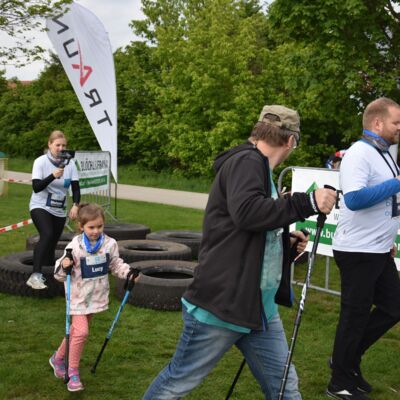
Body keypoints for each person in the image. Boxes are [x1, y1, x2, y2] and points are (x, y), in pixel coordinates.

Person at [142, 105, 337, 400]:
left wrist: (283, 242)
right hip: (223, 305)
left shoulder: (257, 166)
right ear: (291, 141)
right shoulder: (248, 161)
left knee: (285, 387)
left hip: (258, 307)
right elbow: (247, 213)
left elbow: (244, 226)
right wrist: (307, 202)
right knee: (176, 384)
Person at [327, 97, 400, 400]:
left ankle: (346, 359)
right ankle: (339, 382)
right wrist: (398, 183)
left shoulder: (384, 153)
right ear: (377, 123)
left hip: (378, 249)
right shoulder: (359, 153)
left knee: (394, 307)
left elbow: (388, 200)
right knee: (354, 315)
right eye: (396, 122)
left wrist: (388, 238)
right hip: (358, 251)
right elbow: (355, 199)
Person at [49, 203, 136, 392]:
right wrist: (64, 265)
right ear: (81, 226)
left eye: (99, 226)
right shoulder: (75, 246)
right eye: (91, 227)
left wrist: (128, 273)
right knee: (81, 333)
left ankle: (57, 358)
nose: (96, 231)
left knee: (75, 331)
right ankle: (72, 371)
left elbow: (115, 264)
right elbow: (59, 274)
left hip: (95, 296)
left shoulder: (110, 244)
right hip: (78, 297)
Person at [27, 130, 80, 290]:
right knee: (47, 234)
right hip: (40, 205)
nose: (61, 148)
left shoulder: (70, 164)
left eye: (64, 145)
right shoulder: (40, 162)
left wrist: (76, 204)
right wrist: (52, 176)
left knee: (52, 243)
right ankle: (35, 275)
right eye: (57, 145)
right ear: (50, 144)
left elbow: (75, 187)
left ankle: (49, 275)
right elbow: (36, 187)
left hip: (59, 209)